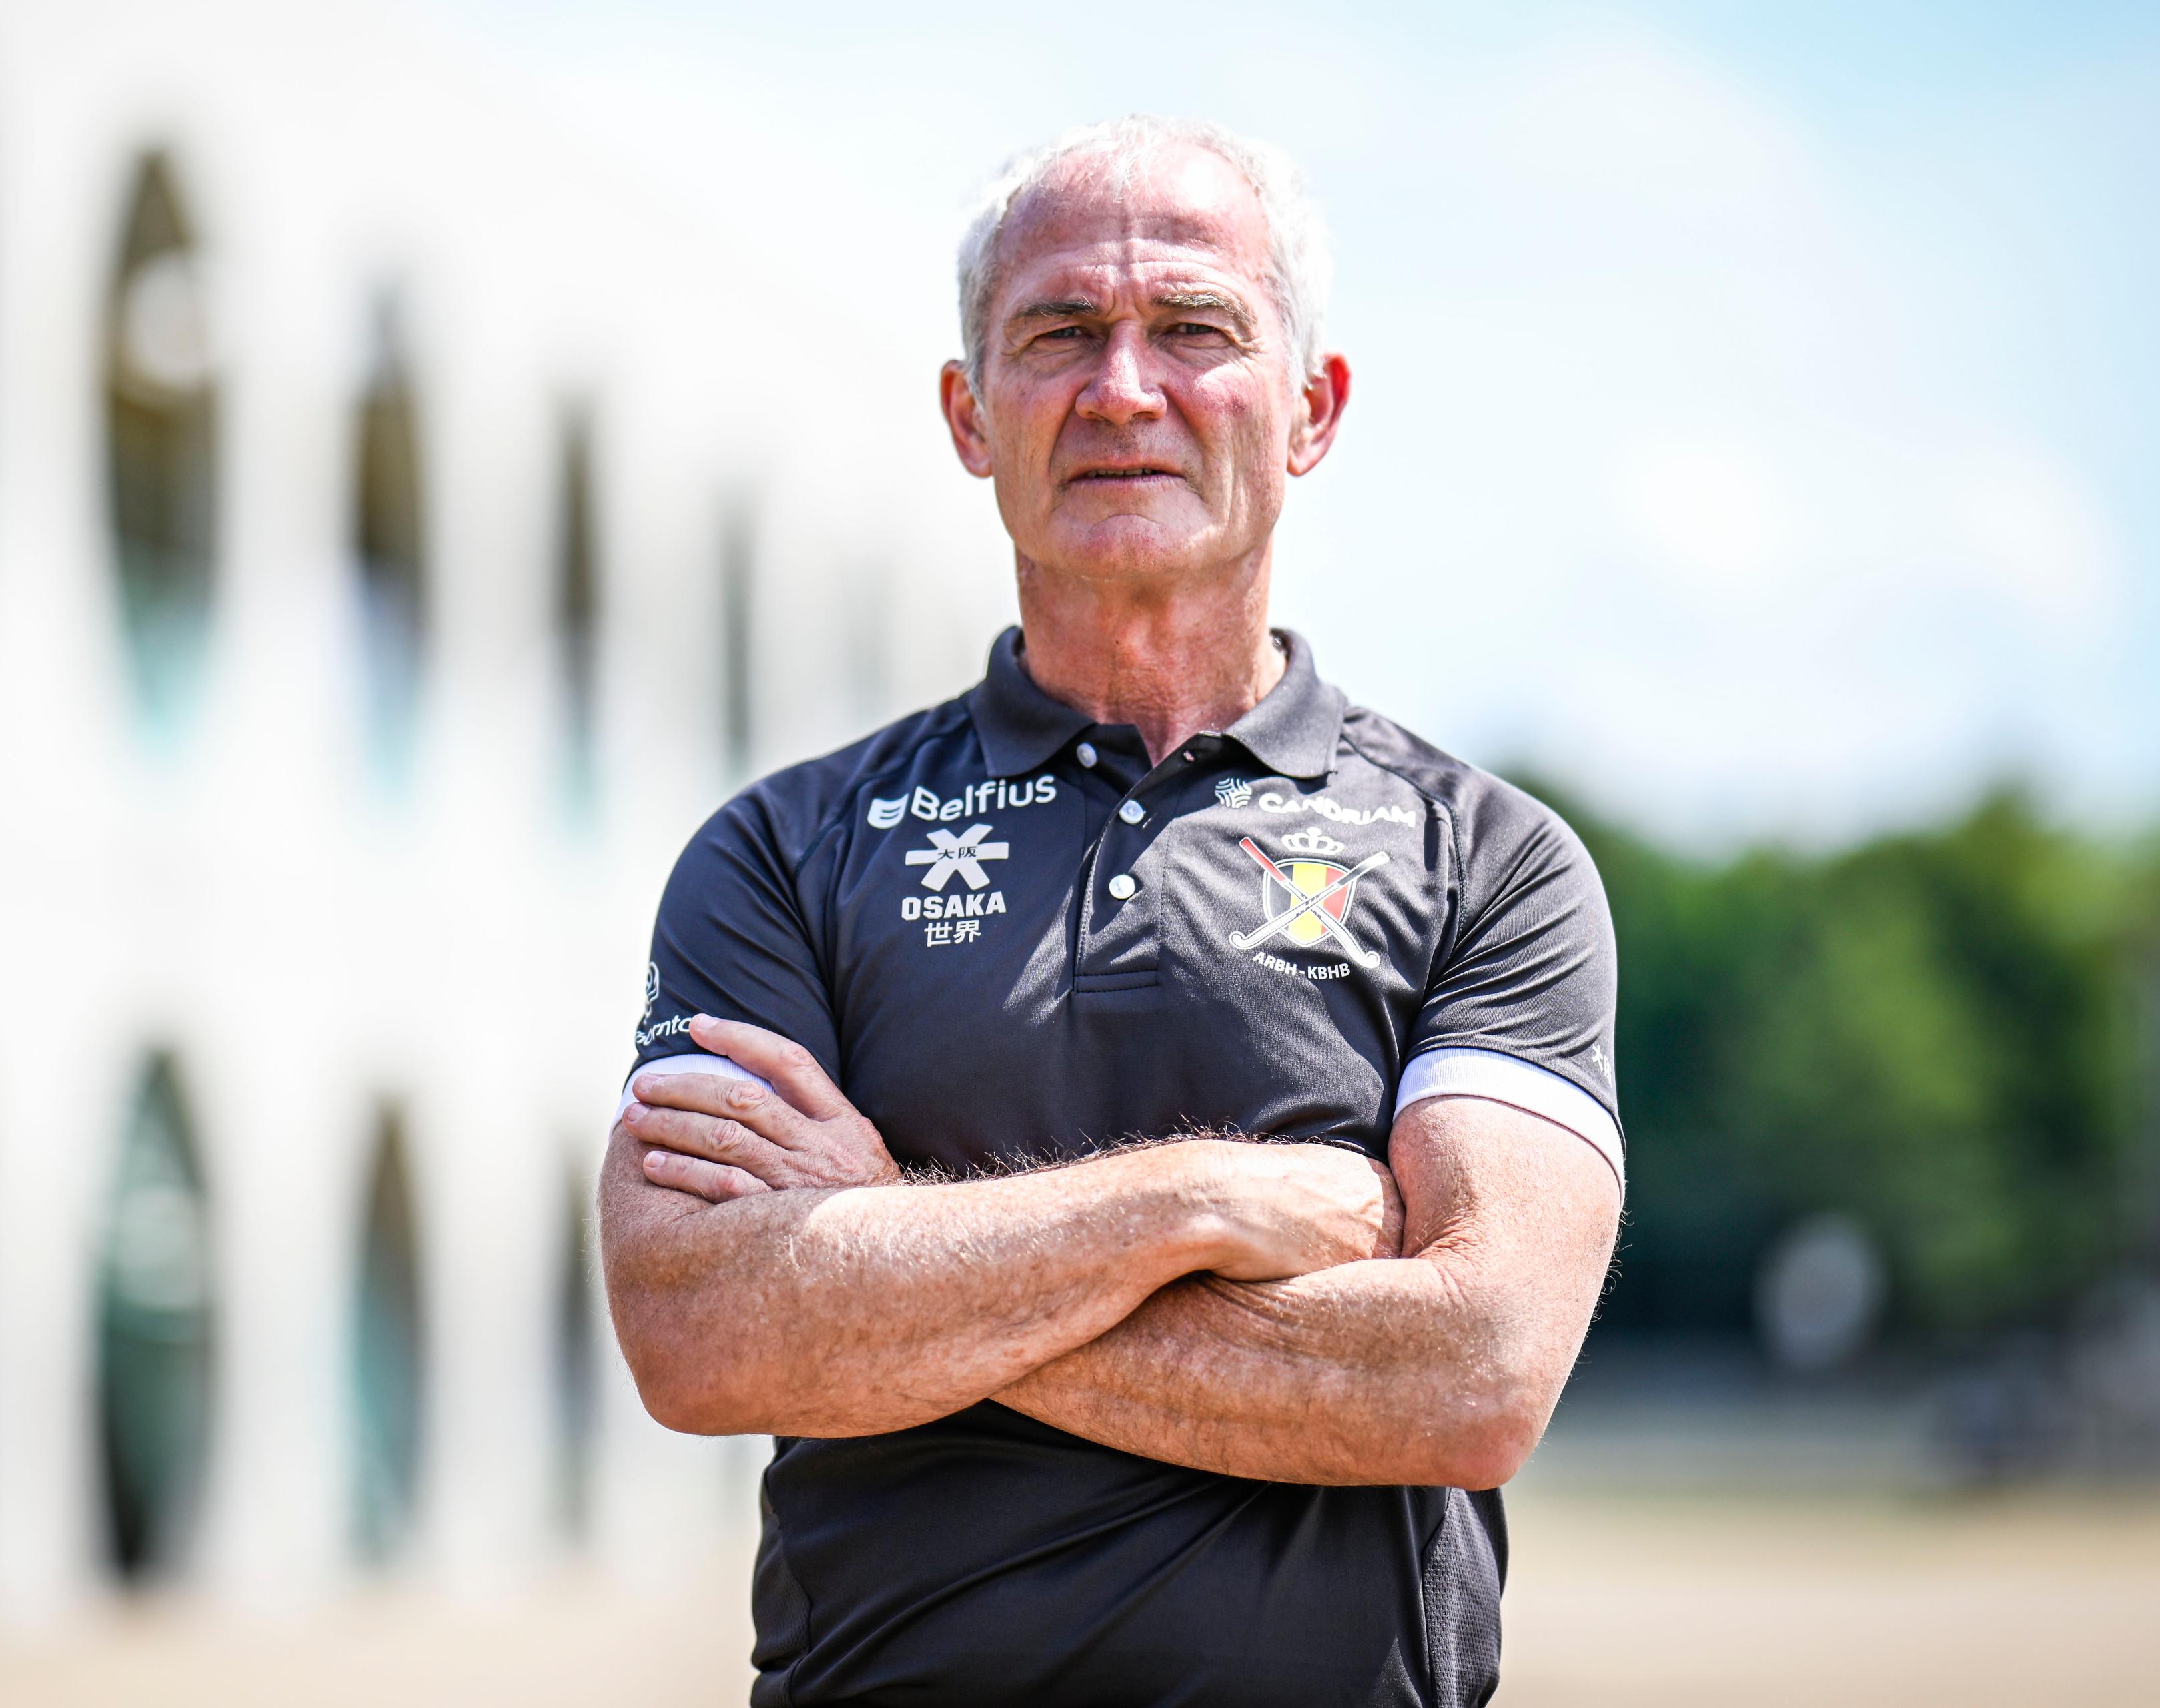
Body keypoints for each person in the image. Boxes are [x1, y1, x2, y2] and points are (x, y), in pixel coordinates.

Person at [602, 115, 1623, 1708]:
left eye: (1198, 330)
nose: (1125, 388)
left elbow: (1474, 1370)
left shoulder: (1486, 858)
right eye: (1061, 333)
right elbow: (700, 1331)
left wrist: (889, 1251)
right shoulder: (787, 852)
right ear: (968, 412)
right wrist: (1196, 1202)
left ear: (1312, 409)